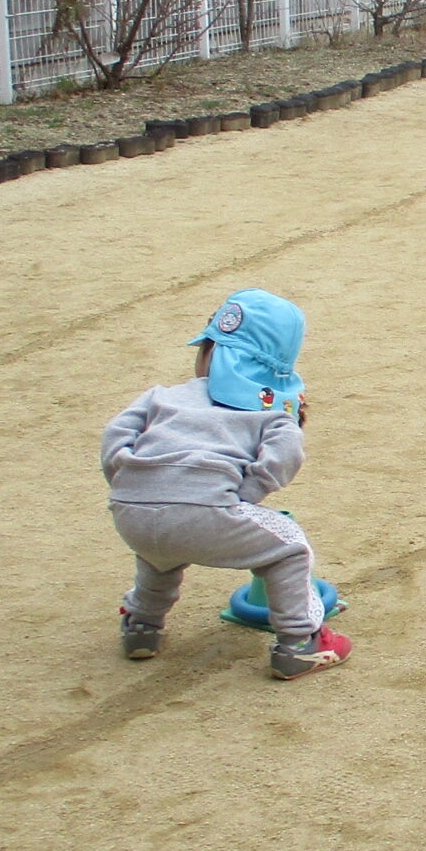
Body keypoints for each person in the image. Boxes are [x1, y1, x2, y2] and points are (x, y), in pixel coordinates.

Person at [100, 289, 352, 680]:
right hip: (207, 511)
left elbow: (116, 435)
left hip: (131, 512)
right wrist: (245, 495)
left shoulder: (161, 396)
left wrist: (129, 480)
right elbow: (285, 457)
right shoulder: (272, 413)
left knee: (160, 554)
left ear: (210, 354)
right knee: (290, 547)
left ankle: (141, 625)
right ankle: (300, 641)